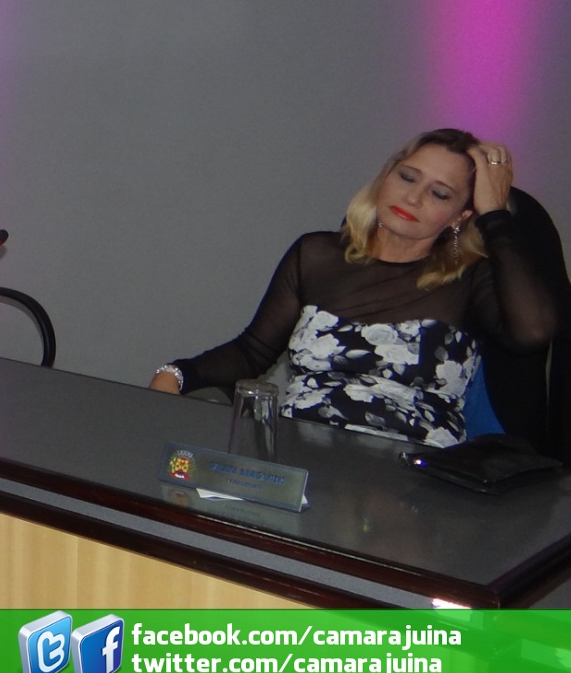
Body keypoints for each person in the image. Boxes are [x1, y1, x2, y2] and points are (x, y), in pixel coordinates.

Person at [151, 129, 558, 448]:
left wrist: (495, 214)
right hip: (302, 456)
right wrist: (178, 374)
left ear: (460, 215)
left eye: (439, 193)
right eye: (407, 177)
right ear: (386, 176)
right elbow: (252, 351)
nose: (412, 197)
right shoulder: (316, 254)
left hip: (411, 479)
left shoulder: (468, 277)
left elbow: (534, 331)